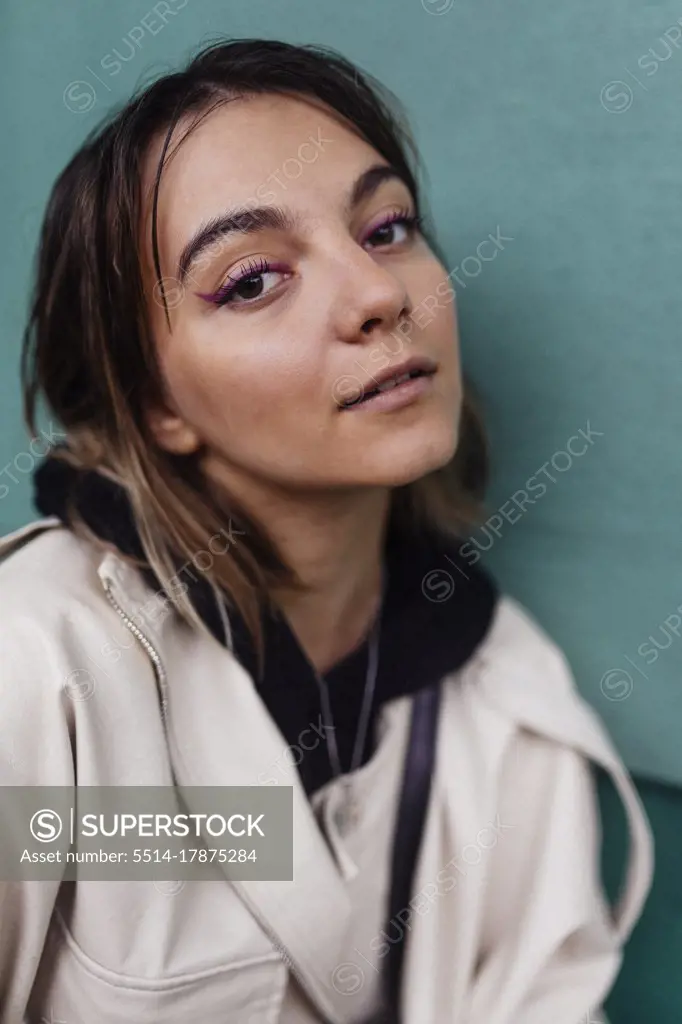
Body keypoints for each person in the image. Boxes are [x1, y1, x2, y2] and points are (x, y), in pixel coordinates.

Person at [0, 37, 652, 1024]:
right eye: (252, 280)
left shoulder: (504, 696)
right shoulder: (35, 663)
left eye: (386, 228)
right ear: (153, 402)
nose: (380, 294)